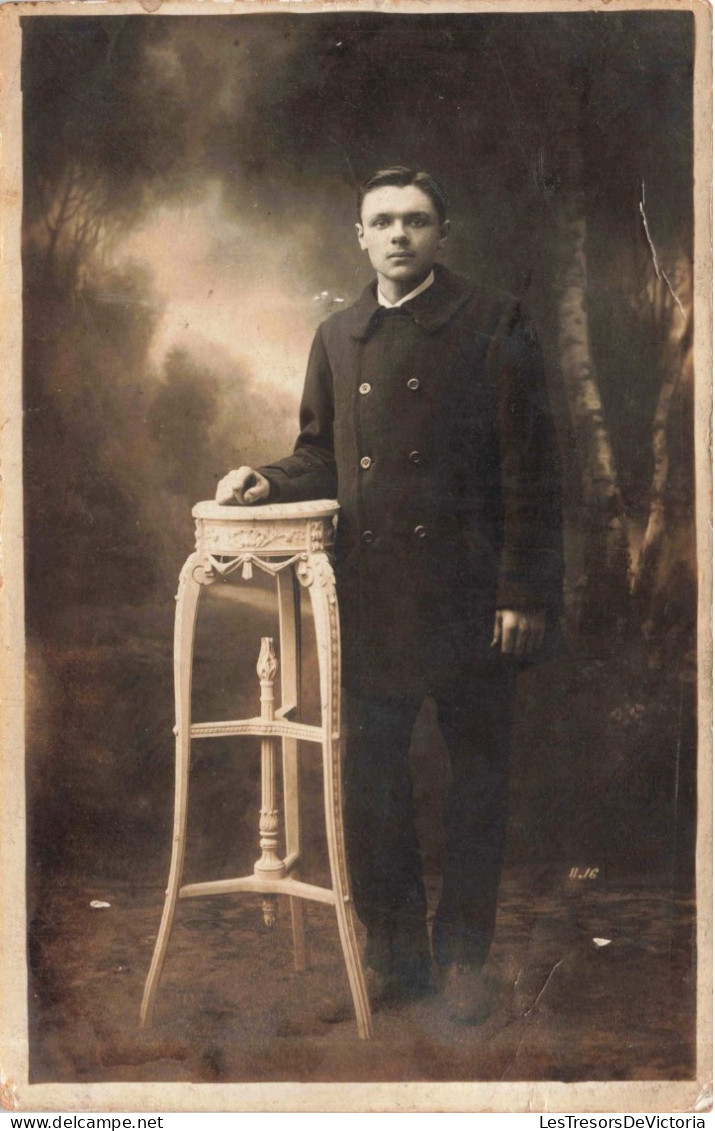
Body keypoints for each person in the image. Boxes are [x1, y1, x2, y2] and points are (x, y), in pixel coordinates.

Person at [216, 167, 563, 1023]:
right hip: (374, 599)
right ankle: (397, 954)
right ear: (360, 237)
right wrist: (264, 476)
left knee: (476, 776)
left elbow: (531, 469)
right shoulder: (339, 335)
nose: (399, 235)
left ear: (442, 232)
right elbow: (319, 454)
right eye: (383, 222)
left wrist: (521, 589)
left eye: (415, 220)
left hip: (474, 593)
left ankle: (465, 960)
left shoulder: (495, 321)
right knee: (371, 777)